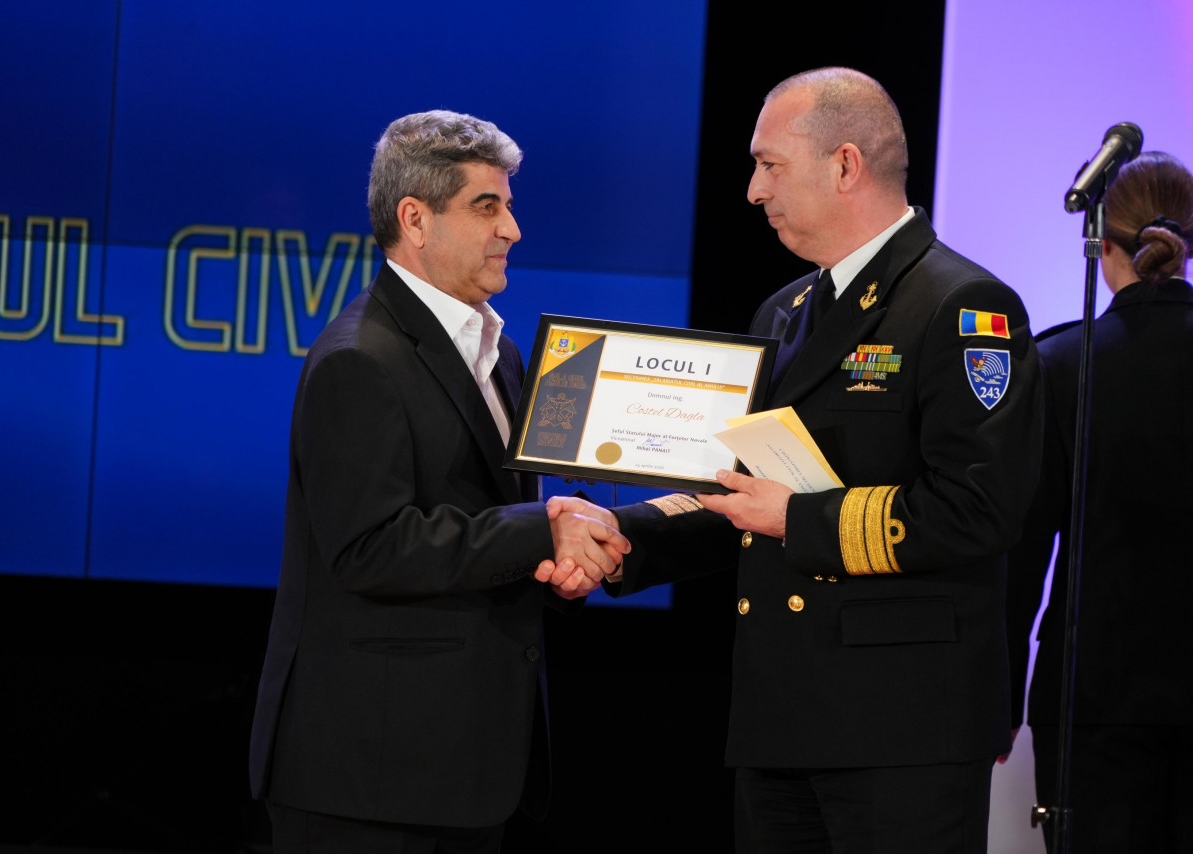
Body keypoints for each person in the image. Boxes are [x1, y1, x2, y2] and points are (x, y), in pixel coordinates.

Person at [543, 67, 1043, 853]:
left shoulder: (964, 306)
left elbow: (980, 508)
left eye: (769, 164)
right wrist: (620, 537)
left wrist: (798, 518)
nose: (753, 190)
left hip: (903, 726)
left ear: (845, 165)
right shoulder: (785, 311)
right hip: (781, 715)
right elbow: (739, 493)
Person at [248, 109, 626, 854]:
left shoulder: (501, 353)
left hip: (464, 765)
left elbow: (493, 519)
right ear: (414, 219)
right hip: (371, 778)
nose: (512, 228)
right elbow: (372, 548)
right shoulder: (359, 359)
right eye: (487, 207)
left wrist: (559, 562)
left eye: (508, 205)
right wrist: (543, 530)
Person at [1007, 151, 1193, 853]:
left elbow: (1021, 551)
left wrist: (1000, 698)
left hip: (1094, 701)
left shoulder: (1060, 362)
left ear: (1102, 242)